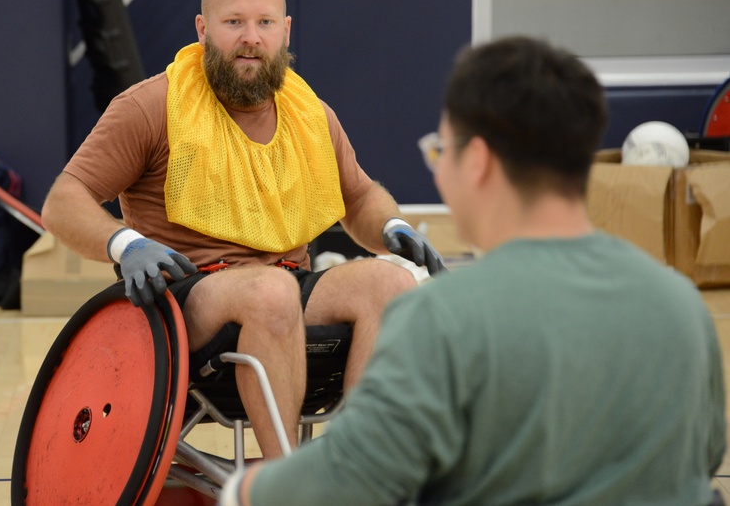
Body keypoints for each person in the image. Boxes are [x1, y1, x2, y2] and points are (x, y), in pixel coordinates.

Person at [219, 35, 728, 505]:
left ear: (478, 161)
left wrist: (240, 489)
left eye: (442, 151)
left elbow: (349, 483)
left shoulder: (442, 322)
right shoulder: (681, 307)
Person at [42, 0, 444, 456]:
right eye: (234, 22)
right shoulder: (150, 106)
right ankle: (288, 482)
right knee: (270, 291)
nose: (250, 38)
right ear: (203, 28)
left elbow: (359, 197)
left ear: (285, 30)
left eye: (265, 23)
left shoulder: (312, 114)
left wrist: (393, 224)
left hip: (284, 285)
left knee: (392, 283)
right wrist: (125, 244)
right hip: (184, 299)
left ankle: (352, 467)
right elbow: (63, 201)